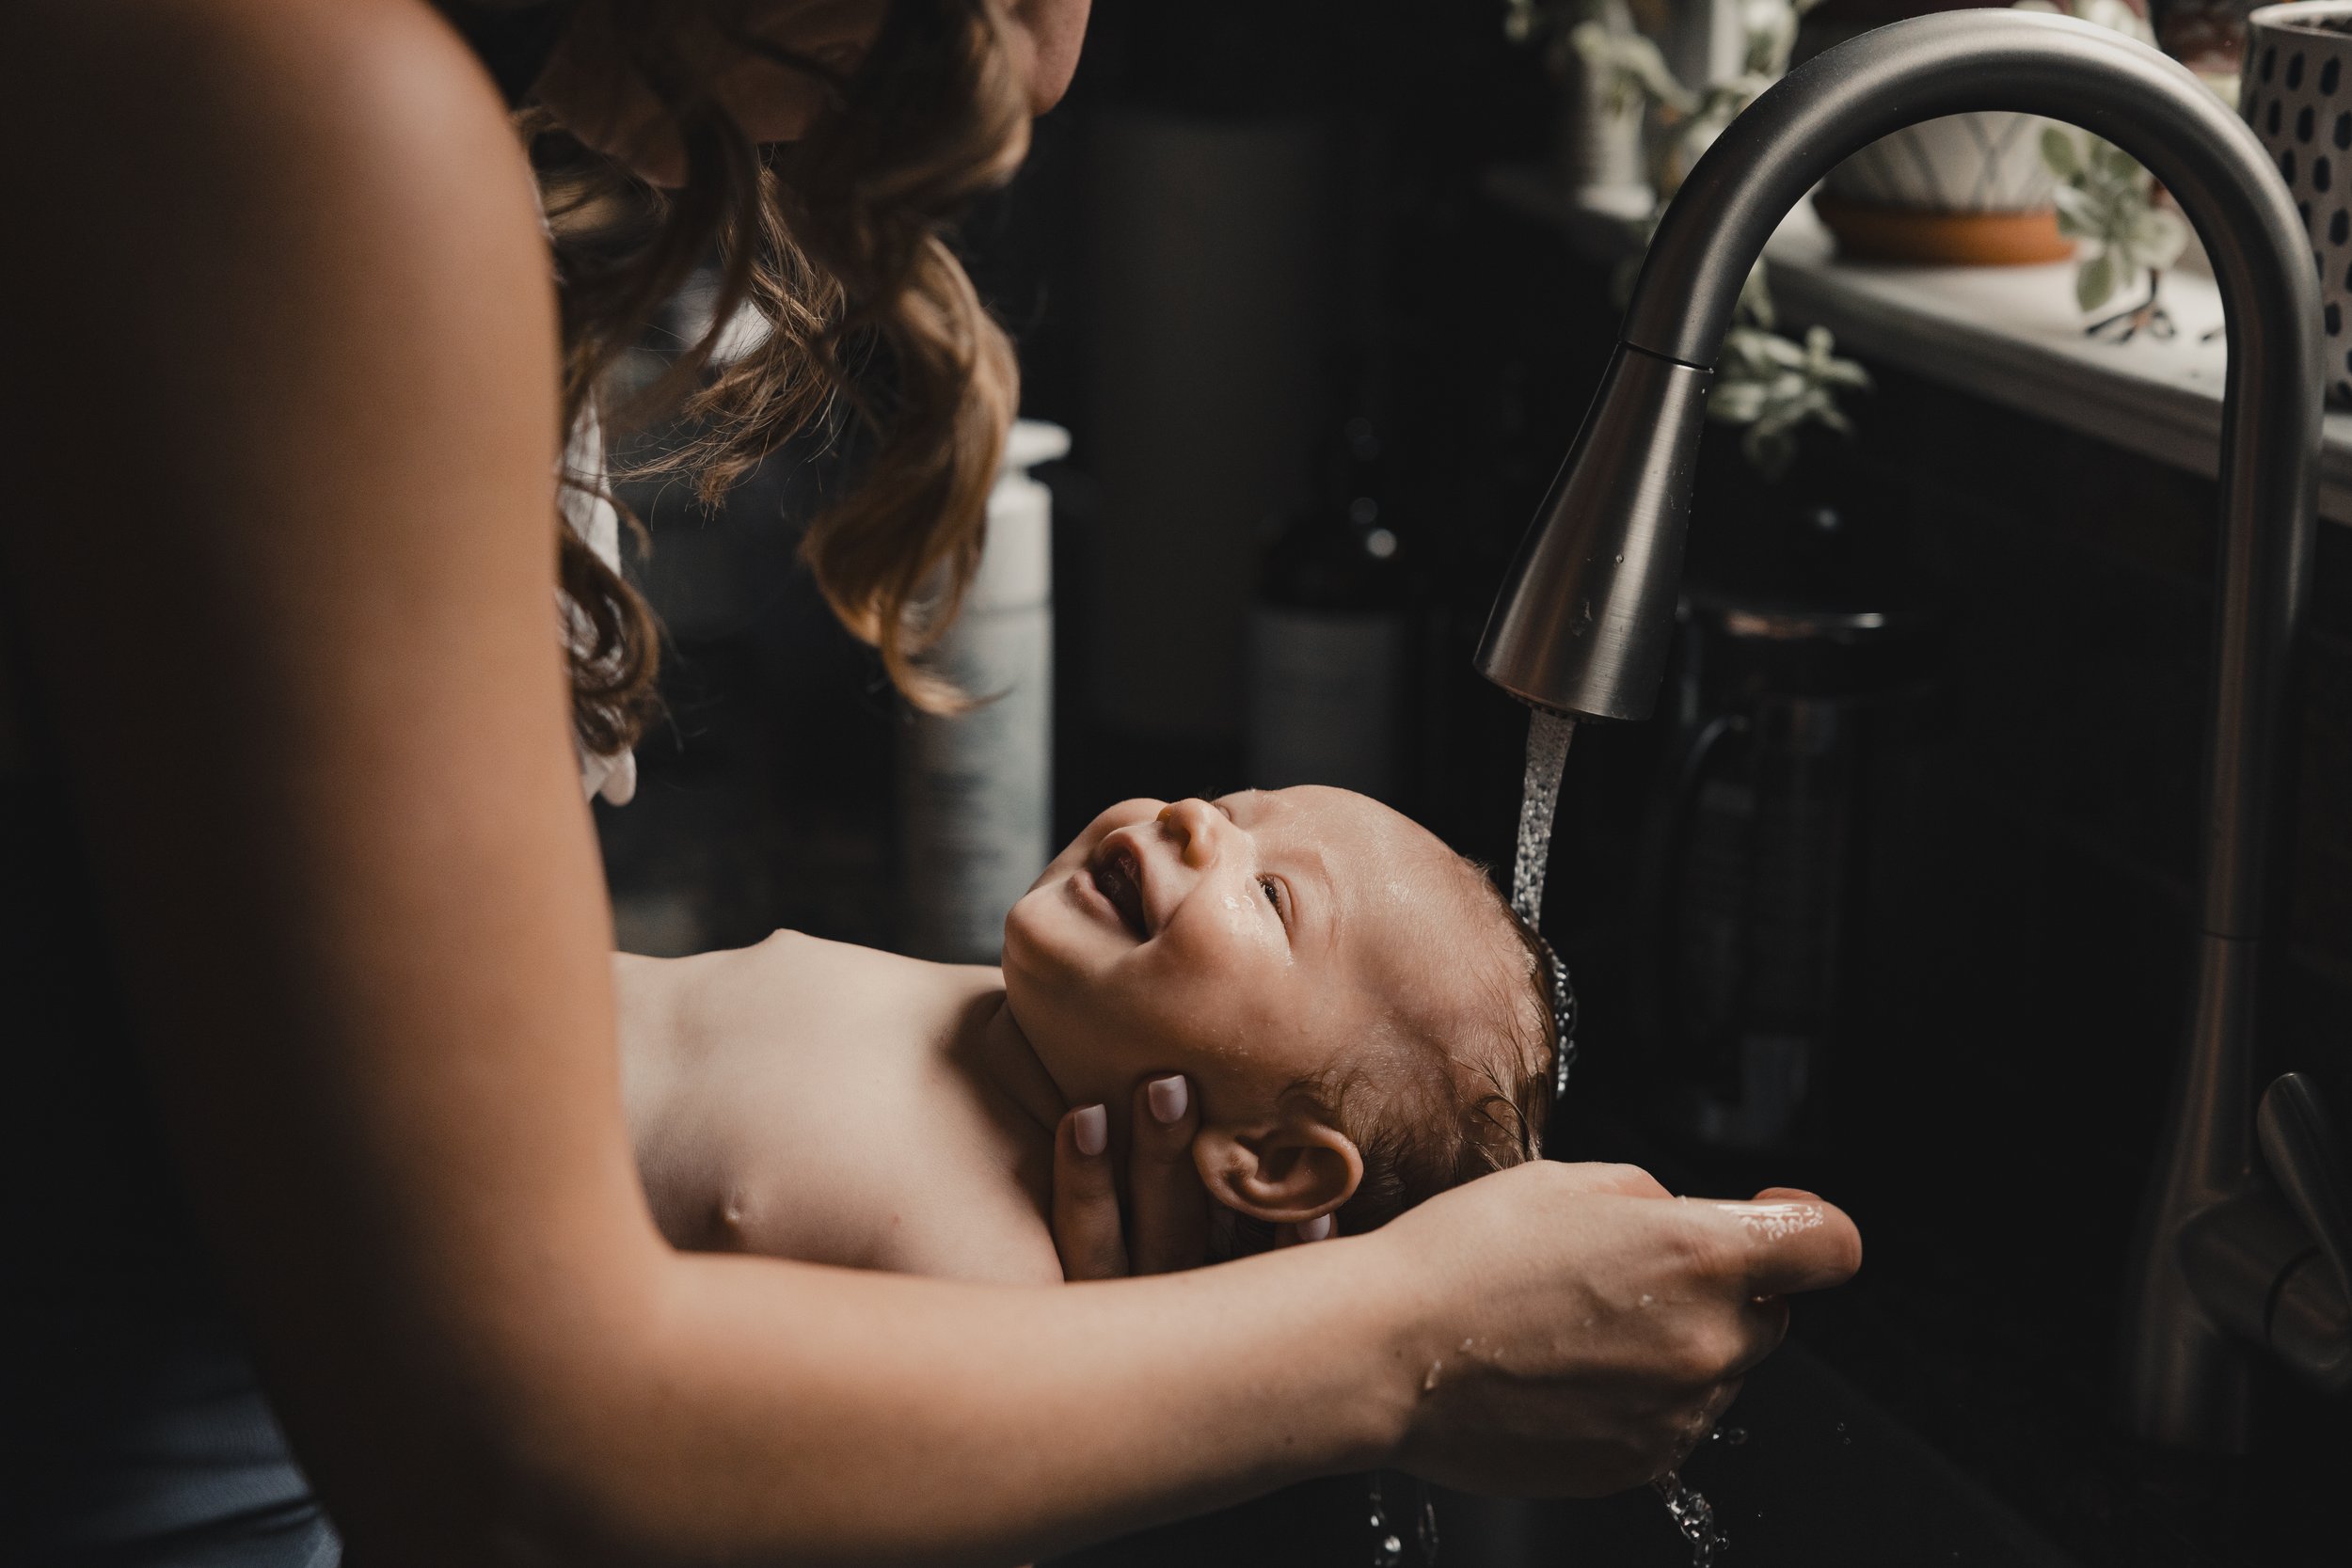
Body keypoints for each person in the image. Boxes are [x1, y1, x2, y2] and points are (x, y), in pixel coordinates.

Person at [0, 3, 1863, 1564]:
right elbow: (507, 1440)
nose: (1049, 61)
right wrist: (1401, 1327)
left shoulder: (307, 109)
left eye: (1272, 885)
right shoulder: (310, 124)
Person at [625, 787, 1558, 1279]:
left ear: (1270, 1162)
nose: (1191, 819)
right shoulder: (993, 1009)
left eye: (1271, 895)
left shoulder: (994, 1285)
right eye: (1233, 805)